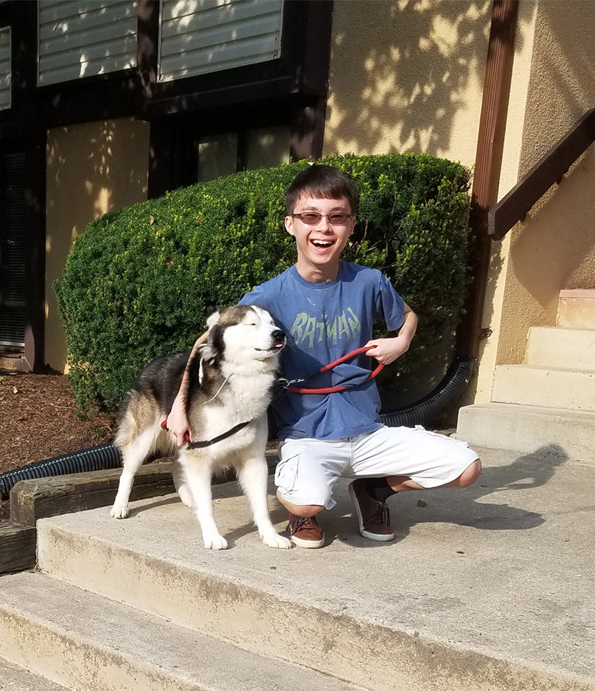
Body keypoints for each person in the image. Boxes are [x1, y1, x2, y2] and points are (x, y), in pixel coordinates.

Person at [168, 164, 481, 548]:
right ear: (290, 224)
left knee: (466, 469)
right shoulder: (268, 296)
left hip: (367, 429)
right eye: (310, 217)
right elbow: (208, 341)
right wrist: (181, 406)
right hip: (306, 435)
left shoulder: (369, 282)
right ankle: (306, 514)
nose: (323, 228)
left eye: (337, 218)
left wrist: (400, 342)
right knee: (304, 501)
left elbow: (408, 317)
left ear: (351, 225)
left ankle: (373, 492)